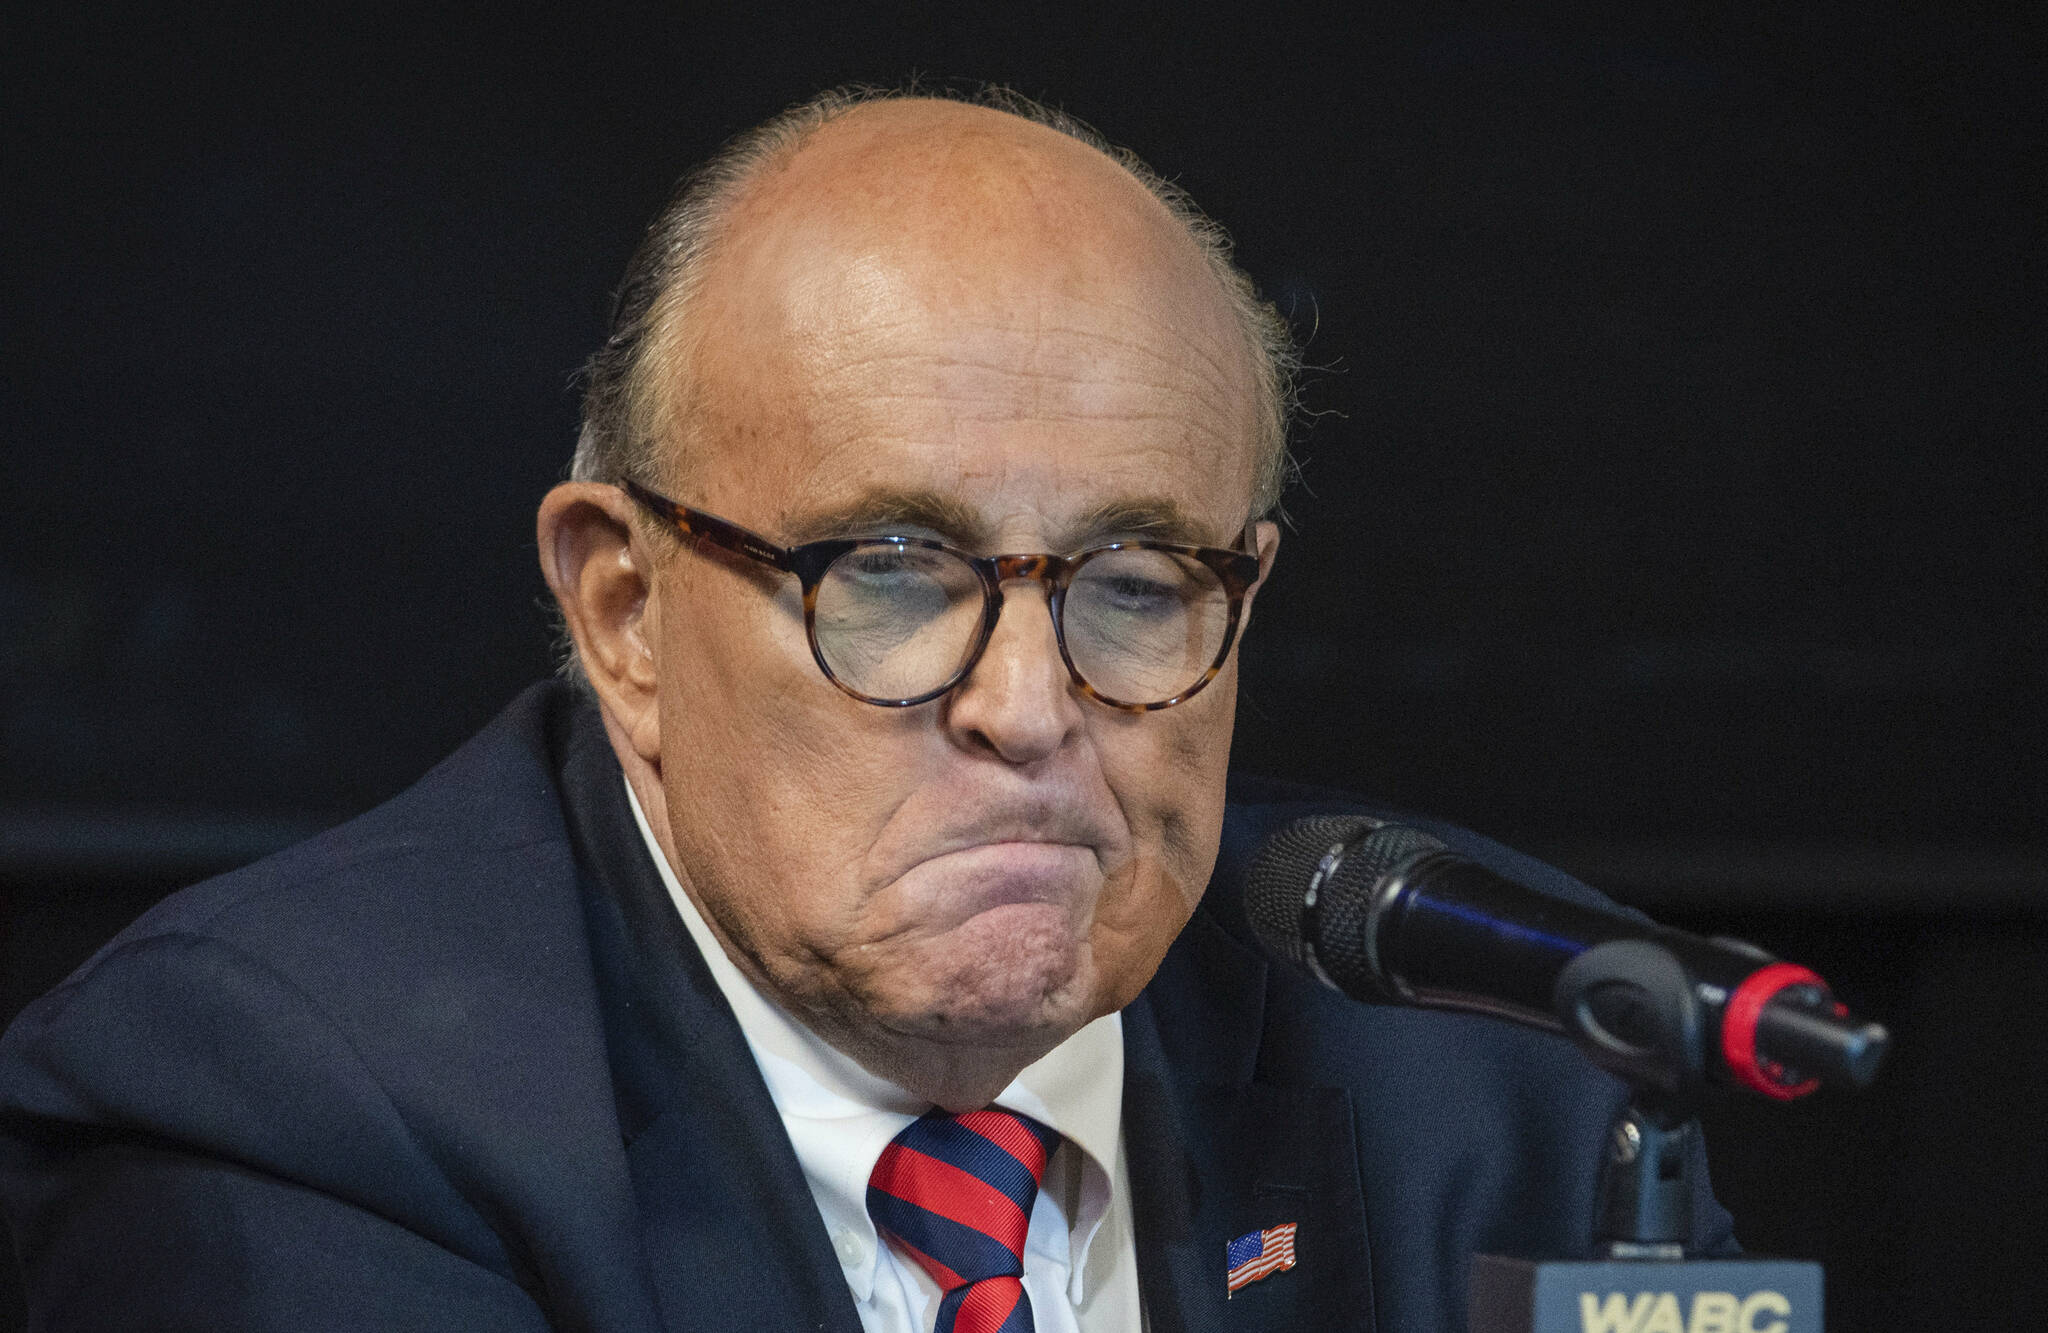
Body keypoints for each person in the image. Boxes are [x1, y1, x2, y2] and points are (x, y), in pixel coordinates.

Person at [0, 87, 1730, 1332]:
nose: (1033, 708)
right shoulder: (305, 1111)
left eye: (1136, 580)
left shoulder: (1508, 1065)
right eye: (894, 575)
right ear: (624, 610)